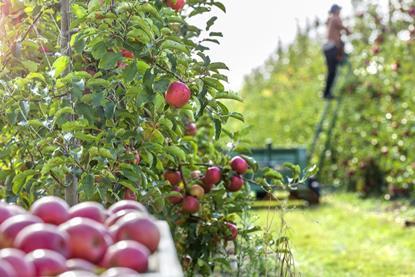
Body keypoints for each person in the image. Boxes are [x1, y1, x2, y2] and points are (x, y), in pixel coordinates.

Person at [322, 4, 351, 100]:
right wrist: (348, 30)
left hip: (328, 48)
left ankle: (326, 93)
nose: (340, 13)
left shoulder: (330, 19)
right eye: (339, 10)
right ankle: (326, 93)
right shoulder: (335, 18)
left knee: (331, 72)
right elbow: (342, 27)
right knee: (332, 72)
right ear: (336, 11)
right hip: (331, 48)